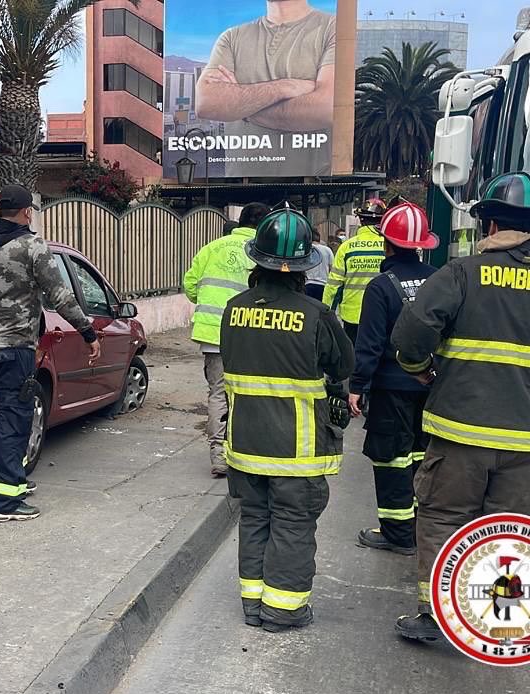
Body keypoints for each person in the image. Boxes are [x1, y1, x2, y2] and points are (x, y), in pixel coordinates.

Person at [391, 172, 530, 642]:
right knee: (509, 530)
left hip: (459, 431)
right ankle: (499, 619)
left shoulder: (461, 274)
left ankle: (437, 617)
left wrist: (419, 370)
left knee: (444, 518)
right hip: (525, 445)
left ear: (490, 224)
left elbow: (412, 334)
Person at [221, 206, 354, 632]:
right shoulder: (316, 315)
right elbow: (342, 364)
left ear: (256, 260)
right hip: (297, 449)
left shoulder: (233, 309)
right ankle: (283, 609)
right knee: (293, 524)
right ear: (303, 267)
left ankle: (253, 604)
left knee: (254, 518)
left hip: (246, 443)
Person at [0, 184, 101, 523]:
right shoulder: (32, 246)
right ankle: (4, 501)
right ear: (27, 212)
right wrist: (87, 332)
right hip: (15, 348)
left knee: (9, 413)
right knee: (14, 418)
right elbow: (60, 296)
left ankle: (15, 482)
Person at [346, 202, 439, 556]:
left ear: (386, 243)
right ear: (421, 244)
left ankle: (398, 533)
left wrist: (358, 386)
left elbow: (369, 343)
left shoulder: (381, 287)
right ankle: (419, 527)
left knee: (391, 460)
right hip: (430, 387)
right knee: (420, 457)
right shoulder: (438, 279)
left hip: (391, 387)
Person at [194, 0, 335, 176]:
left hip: (311, 186)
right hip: (238, 185)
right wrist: (285, 87)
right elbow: (205, 103)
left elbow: (326, 110)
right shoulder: (231, 37)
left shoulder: (332, 28)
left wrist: (239, 106)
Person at [183, 202, 268, 477]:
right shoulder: (261, 251)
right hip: (249, 334)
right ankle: (244, 451)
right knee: (248, 392)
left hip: (212, 334)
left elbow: (190, 285)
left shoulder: (211, 248)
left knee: (218, 393)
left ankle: (218, 454)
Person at [323, 198, 387, 345]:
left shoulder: (347, 247)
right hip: (382, 316)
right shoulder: (388, 245)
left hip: (352, 317)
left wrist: (326, 315)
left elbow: (333, 286)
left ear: (360, 219)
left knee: (353, 355)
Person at [304, 228, 334, 300]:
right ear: (319, 239)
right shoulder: (327, 250)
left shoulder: (306, 249)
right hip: (323, 285)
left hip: (308, 284)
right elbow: (332, 269)